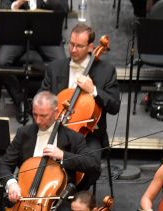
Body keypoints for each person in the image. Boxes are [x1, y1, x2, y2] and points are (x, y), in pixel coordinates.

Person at [0, 91, 100, 211]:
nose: (37, 120)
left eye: (43, 116)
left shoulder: (73, 138)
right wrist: (12, 183)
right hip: (24, 194)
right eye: (35, 114)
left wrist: (63, 155)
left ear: (56, 112)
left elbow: (94, 164)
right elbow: (3, 166)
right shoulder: (24, 133)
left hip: (57, 199)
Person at [39, 23, 120, 191]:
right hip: (57, 129)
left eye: (79, 46)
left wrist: (94, 91)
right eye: (71, 44)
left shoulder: (107, 70)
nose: (73, 49)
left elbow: (114, 106)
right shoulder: (55, 68)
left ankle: (73, 193)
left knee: (91, 167)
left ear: (91, 47)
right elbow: (41, 96)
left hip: (88, 134)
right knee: (32, 155)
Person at [0, 0, 68, 122]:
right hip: (18, 34)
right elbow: (3, 9)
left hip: (46, 33)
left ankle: (44, 102)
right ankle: (20, 101)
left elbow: (63, 8)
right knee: (0, 64)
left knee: (62, 64)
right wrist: (17, 4)